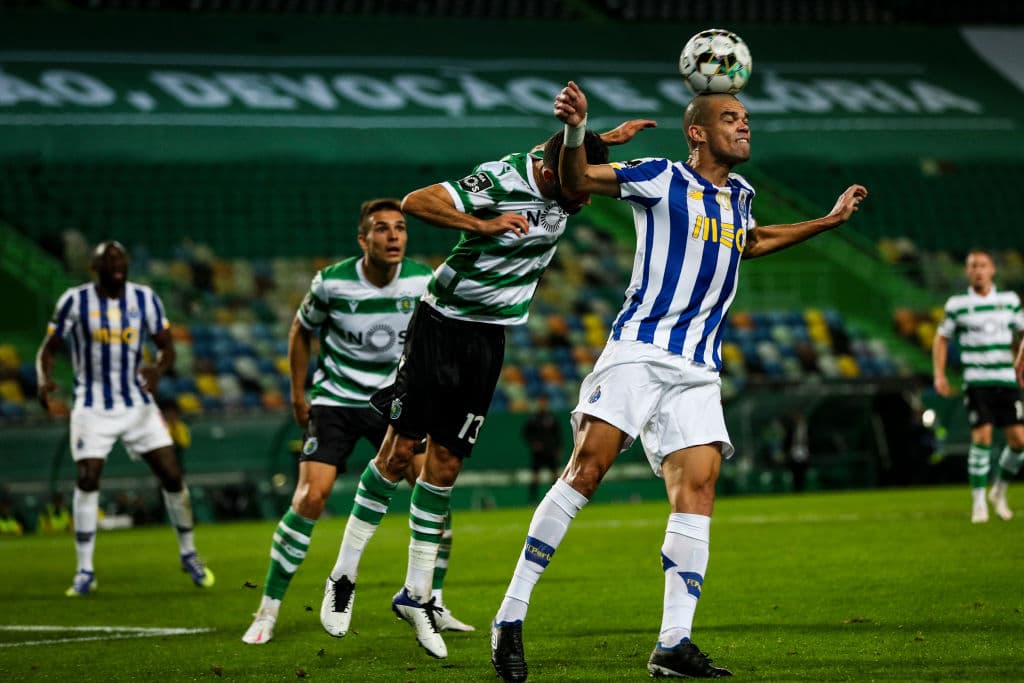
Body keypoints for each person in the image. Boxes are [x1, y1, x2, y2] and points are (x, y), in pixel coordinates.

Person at [489, 81, 868, 682]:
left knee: (699, 490)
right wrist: (576, 133)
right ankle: (509, 617)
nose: (745, 126)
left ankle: (673, 643)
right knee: (584, 472)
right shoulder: (660, 177)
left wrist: (828, 220)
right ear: (698, 131)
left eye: (745, 118)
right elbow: (577, 183)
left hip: (698, 369)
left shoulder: (740, 196)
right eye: (731, 118)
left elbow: (754, 241)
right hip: (639, 350)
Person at [317, 118, 655, 660]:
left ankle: (417, 595)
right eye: (575, 186)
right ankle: (343, 574)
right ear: (547, 171)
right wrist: (480, 225)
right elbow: (415, 201)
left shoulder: (570, 186)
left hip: (490, 338)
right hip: (441, 323)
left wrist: (600, 141)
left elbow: (575, 165)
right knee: (399, 450)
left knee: (446, 466)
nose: (584, 201)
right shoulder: (500, 178)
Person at [242, 198, 473, 644]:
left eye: (401, 228)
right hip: (337, 402)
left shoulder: (422, 280)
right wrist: (296, 392)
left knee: (434, 496)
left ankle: (430, 601)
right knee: (311, 497)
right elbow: (299, 330)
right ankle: (267, 610)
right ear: (363, 239)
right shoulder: (331, 283)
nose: (393, 236)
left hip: (396, 402)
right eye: (382, 229)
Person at [35, 240, 214, 596]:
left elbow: (167, 346)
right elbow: (48, 348)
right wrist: (43, 380)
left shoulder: (145, 298)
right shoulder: (75, 300)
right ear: (94, 267)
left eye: (122, 258)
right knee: (88, 477)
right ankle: (85, 570)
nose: (118, 263)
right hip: (92, 405)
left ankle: (189, 553)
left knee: (172, 474)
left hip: (137, 404)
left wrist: (159, 370)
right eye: (109, 259)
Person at [933, 249, 1024, 523]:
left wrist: (1020, 362)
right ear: (967, 271)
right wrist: (939, 374)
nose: (978, 270)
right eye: (972, 266)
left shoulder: (1009, 301)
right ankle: (978, 503)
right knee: (982, 437)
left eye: (982, 265)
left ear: (992, 269)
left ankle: (999, 490)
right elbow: (941, 337)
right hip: (976, 381)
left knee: (1019, 442)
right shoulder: (957, 305)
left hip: (1006, 381)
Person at [522, 395, 563, 502]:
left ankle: (556, 498)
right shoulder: (533, 418)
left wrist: (558, 448)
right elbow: (526, 433)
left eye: (545, 402)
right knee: (535, 476)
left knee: (554, 476)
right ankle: (533, 499)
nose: (543, 404)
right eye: (541, 402)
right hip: (538, 453)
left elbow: (557, 434)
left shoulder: (552, 417)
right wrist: (533, 443)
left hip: (550, 451)